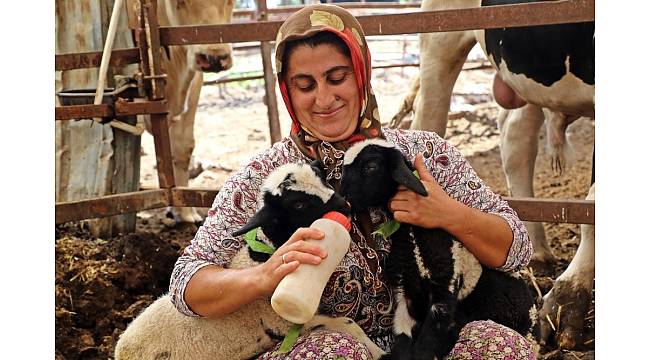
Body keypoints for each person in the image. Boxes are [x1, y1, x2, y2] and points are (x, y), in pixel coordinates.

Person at [169, 4, 535, 359]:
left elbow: (517, 249)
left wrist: (447, 213)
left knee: (497, 344)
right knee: (333, 353)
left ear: (360, 72)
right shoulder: (268, 177)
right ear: (287, 91)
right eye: (304, 84)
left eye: (336, 77)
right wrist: (265, 274)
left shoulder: (424, 154)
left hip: (430, 339)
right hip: (325, 343)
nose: (324, 99)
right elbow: (187, 283)